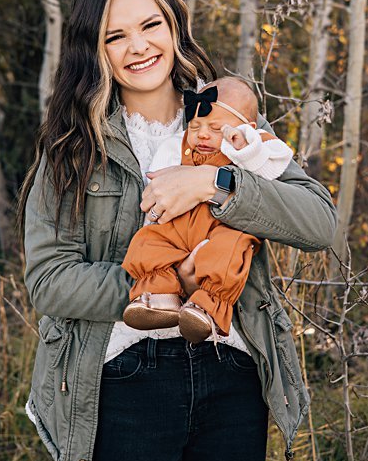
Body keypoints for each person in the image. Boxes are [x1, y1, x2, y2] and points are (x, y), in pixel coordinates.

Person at [20, 0, 336, 461]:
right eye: (115, 36)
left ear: (174, 26)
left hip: (232, 369)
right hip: (127, 377)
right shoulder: (72, 147)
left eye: (151, 25)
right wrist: (155, 288)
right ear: (94, 50)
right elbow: (48, 281)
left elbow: (319, 221)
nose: (139, 47)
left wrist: (213, 183)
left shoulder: (229, 117)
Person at [122, 77, 294, 342]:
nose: (202, 134)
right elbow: (157, 180)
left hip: (222, 227)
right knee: (148, 241)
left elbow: (275, 162)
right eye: (196, 125)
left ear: (246, 128)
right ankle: (159, 297)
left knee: (227, 254)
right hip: (178, 225)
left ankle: (207, 308)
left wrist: (247, 145)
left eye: (215, 128)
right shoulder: (177, 145)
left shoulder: (249, 147)